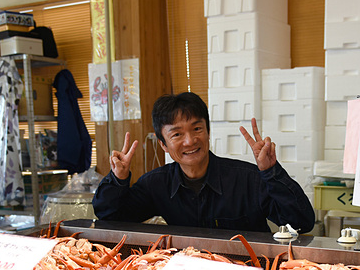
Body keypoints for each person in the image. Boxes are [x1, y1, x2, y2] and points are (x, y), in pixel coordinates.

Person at [92, 92, 315, 233]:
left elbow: (301, 224)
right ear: (163, 145)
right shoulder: (156, 184)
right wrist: (118, 179)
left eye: (197, 129)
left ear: (208, 132)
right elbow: (110, 217)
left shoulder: (248, 179)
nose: (190, 141)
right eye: (177, 135)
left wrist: (271, 171)